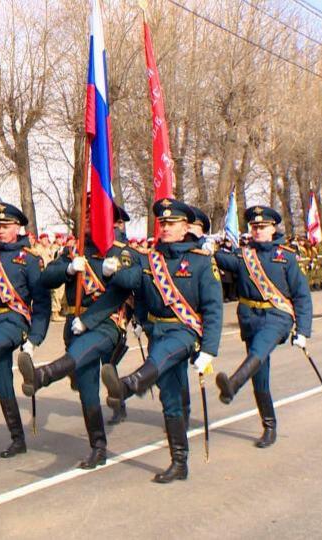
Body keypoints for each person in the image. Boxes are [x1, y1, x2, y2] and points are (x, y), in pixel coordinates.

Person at [99, 198, 223, 483]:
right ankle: (179, 462)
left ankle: (129, 385)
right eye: (163, 223)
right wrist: (112, 273)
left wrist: (209, 351)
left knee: (161, 357)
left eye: (172, 223)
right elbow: (138, 288)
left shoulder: (202, 262)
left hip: (185, 332)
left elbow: (214, 309)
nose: (165, 228)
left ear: (185, 227)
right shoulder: (148, 259)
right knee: (170, 399)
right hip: (158, 331)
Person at [18, 203, 134, 468]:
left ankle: (42, 375)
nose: (91, 221)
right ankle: (98, 446)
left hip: (106, 321)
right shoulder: (74, 249)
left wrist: (113, 272)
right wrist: (68, 269)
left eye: (98, 217)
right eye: (89, 216)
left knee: (83, 354)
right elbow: (47, 277)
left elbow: (127, 287)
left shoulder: (122, 252)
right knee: (87, 388)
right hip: (75, 321)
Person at [212, 206, 312, 447]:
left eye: (262, 227)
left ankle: (233, 383)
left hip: (277, 317)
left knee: (261, 347)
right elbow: (219, 258)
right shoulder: (244, 255)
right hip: (250, 318)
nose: (257, 231)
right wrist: (205, 246)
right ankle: (269, 426)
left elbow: (301, 296)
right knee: (260, 377)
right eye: (254, 227)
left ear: (273, 228)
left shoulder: (286, 256)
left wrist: (303, 331)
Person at [0, 201, 51, 458]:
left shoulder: (30, 260)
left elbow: (42, 304)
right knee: (2, 382)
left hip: (14, 321)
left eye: (5, 225)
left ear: (19, 228)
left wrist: (34, 339)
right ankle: (17, 438)